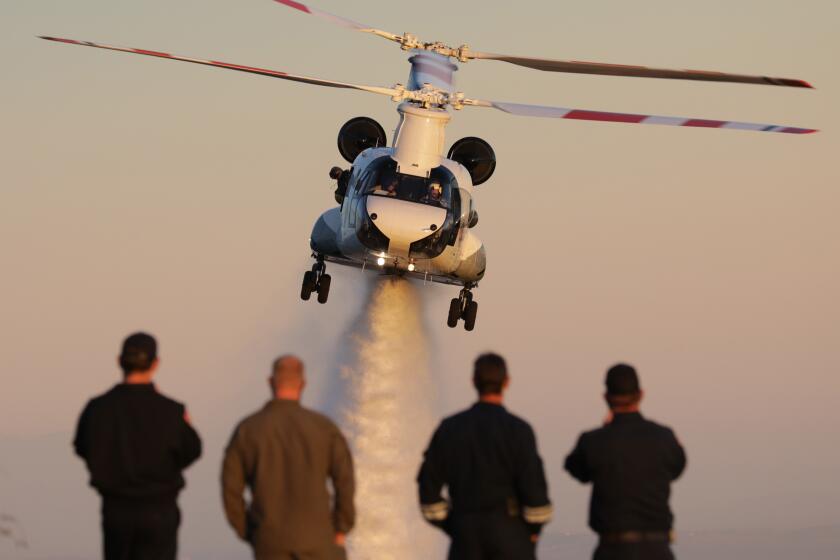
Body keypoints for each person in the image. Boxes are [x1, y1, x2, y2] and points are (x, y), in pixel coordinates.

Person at [73, 332, 202, 560]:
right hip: (159, 511)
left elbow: (83, 447)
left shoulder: (97, 409)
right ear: (155, 364)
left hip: (115, 511)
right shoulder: (171, 411)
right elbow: (192, 451)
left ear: (119, 361)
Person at [417, 353, 552, 559]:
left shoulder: (450, 428)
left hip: (465, 536)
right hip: (511, 536)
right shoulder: (519, 430)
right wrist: (532, 531)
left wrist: (454, 525)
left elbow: (428, 489)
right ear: (506, 382)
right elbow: (536, 495)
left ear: (473, 382)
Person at [222, 355, 355, 560]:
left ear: (270, 382)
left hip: (270, 541)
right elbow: (345, 481)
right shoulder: (324, 428)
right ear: (303, 384)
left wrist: (249, 531)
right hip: (320, 541)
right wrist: (341, 527)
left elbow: (230, 489)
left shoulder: (248, 430)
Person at [565, 364, 687, 560]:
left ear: (606, 397)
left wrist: (606, 430)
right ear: (640, 395)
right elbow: (677, 467)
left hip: (613, 548)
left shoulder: (593, 441)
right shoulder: (664, 438)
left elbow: (575, 469)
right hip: (657, 548)